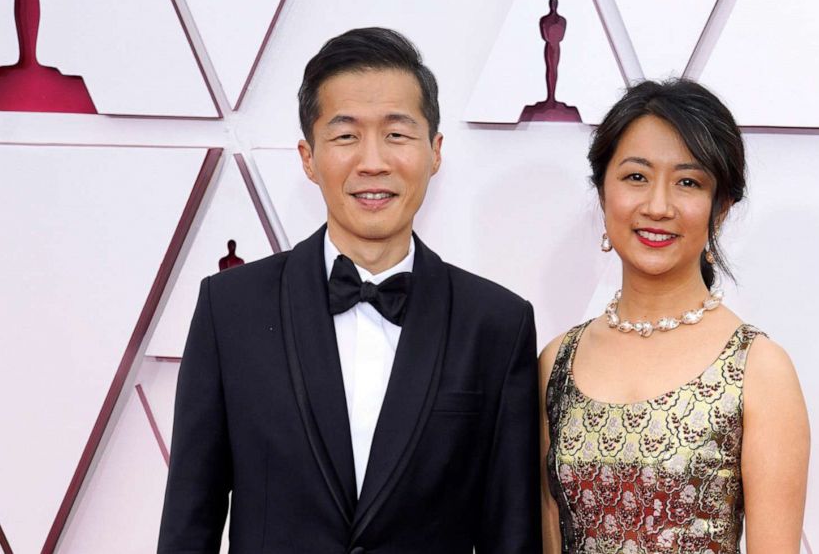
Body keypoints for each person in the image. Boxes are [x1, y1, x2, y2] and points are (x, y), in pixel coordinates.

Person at [159, 27, 541, 553]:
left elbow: (511, 535)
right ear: (308, 158)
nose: (372, 162)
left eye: (397, 134)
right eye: (345, 136)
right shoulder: (230, 309)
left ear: (435, 151)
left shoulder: (497, 323)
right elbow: (188, 523)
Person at [539, 79, 809, 553]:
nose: (657, 206)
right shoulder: (557, 361)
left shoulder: (758, 368)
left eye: (688, 182)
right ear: (603, 194)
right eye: (636, 177)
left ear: (719, 208)